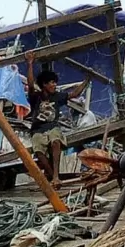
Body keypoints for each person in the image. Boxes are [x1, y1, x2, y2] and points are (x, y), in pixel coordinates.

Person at [24, 54, 85, 186]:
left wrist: (87, 80)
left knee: (56, 141)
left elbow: (75, 94)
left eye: (55, 82)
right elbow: (30, 84)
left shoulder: (57, 96)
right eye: (52, 82)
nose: (54, 85)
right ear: (44, 84)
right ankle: (53, 177)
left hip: (52, 127)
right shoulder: (36, 97)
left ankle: (56, 176)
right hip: (37, 129)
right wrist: (30, 64)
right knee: (39, 152)